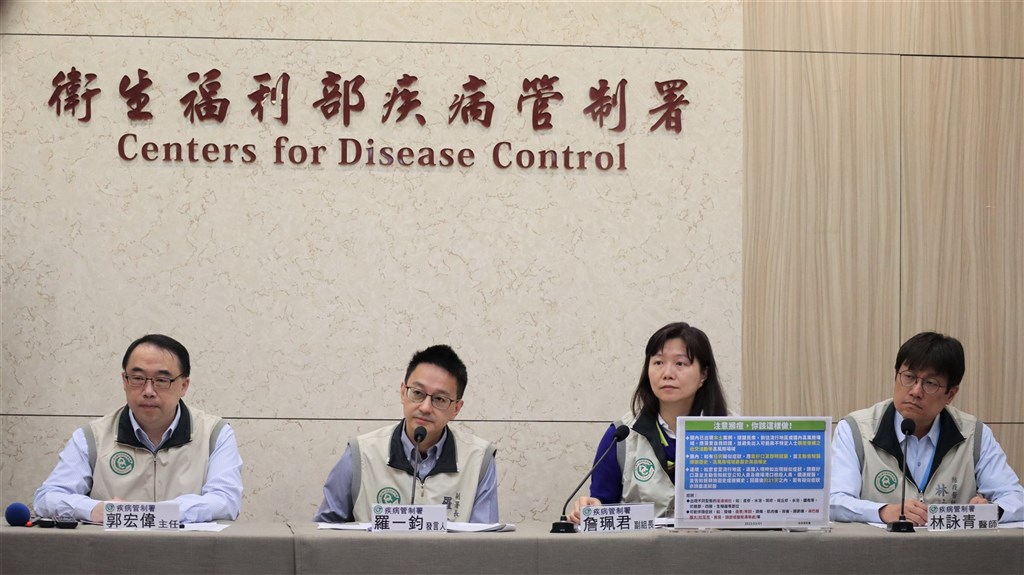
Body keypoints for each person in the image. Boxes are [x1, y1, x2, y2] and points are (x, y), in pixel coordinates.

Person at [33, 334, 243, 523]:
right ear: (125, 380)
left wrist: (158, 513)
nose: (148, 391)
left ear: (184, 385)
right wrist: (96, 509)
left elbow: (225, 501)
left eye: (162, 380)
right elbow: (47, 497)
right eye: (138, 378)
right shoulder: (92, 437)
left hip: (186, 557)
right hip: (113, 558)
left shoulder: (214, 434)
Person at [831, 331, 1023, 524]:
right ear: (896, 375)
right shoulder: (856, 430)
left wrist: (991, 511)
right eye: (909, 376)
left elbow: (1016, 499)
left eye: (930, 383)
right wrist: (882, 511)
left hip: (952, 552)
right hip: (880, 551)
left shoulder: (974, 435)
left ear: (951, 394)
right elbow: (835, 501)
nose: (915, 391)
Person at [314, 344, 498, 523]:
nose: (425, 407)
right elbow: (325, 534)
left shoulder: (479, 459)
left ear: (456, 408)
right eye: (417, 393)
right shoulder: (361, 454)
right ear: (403, 392)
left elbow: (483, 545)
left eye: (440, 399)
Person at [568, 322, 729, 522]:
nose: (667, 373)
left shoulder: (735, 433)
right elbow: (603, 507)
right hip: (642, 552)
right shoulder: (621, 435)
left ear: (704, 374)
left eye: (680, 363)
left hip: (716, 550)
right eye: (658, 362)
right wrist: (591, 507)